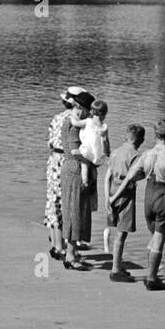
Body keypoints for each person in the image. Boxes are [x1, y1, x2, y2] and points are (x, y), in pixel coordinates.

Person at [110, 118, 165, 291]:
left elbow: (130, 177)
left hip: (148, 195)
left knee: (153, 236)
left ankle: (151, 273)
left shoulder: (146, 155)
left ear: (156, 136)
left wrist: (113, 199)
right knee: (159, 238)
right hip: (164, 195)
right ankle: (152, 279)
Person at [46, 86, 85, 259]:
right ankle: (64, 247)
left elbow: (49, 142)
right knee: (66, 202)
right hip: (66, 160)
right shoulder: (75, 120)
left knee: (52, 201)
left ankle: (56, 245)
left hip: (53, 159)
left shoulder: (56, 118)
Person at [59, 90, 96, 269]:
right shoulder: (73, 125)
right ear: (81, 108)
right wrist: (90, 160)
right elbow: (74, 151)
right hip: (74, 169)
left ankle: (71, 252)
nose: (88, 114)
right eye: (87, 111)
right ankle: (70, 257)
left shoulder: (68, 121)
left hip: (68, 168)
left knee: (73, 211)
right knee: (75, 212)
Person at [104, 123, 145, 282]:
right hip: (125, 196)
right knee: (121, 233)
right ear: (139, 140)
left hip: (112, 192)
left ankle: (118, 265)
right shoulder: (135, 155)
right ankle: (115, 270)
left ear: (125, 136)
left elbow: (107, 176)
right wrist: (115, 199)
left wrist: (107, 198)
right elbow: (129, 181)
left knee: (116, 231)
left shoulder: (116, 151)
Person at [79, 98, 110, 249]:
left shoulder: (87, 122)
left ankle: (77, 239)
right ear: (105, 113)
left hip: (86, 156)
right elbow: (107, 150)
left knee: (81, 201)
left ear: (92, 111)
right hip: (96, 160)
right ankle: (81, 238)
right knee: (86, 203)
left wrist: (71, 117)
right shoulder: (104, 127)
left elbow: (75, 124)